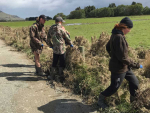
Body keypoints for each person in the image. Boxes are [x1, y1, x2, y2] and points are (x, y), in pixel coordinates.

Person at [97, 17, 143, 109]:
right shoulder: (118, 37)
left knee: (134, 82)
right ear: (125, 27)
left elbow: (107, 47)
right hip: (118, 68)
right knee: (114, 87)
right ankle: (101, 99)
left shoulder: (116, 34)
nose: (129, 31)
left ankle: (133, 103)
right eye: (129, 29)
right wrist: (137, 65)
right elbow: (123, 58)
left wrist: (113, 55)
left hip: (125, 67)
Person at [47, 17, 73, 82]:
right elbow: (67, 37)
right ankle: (61, 77)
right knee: (62, 62)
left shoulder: (51, 28)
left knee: (54, 62)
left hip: (55, 48)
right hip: (62, 48)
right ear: (60, 22)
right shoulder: (61, 29)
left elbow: (48, 39)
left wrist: (50, 45)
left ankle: (52, 76)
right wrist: (71, 44)